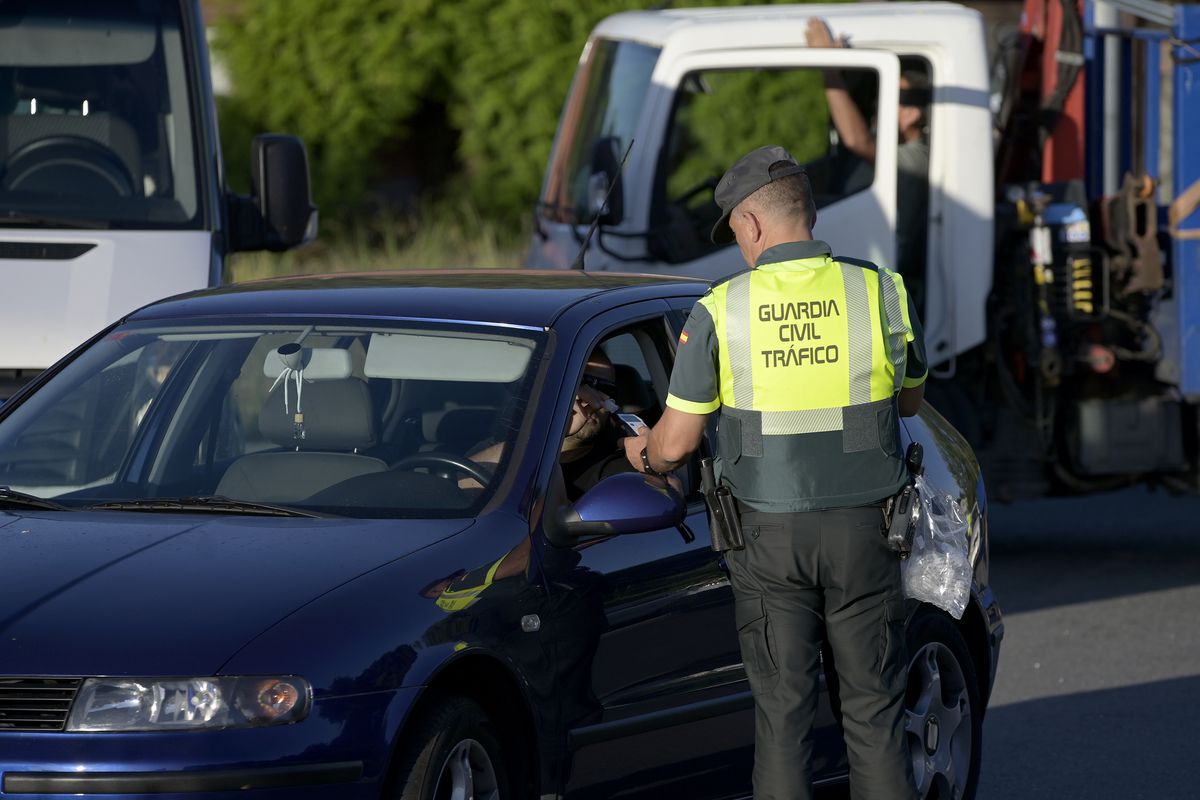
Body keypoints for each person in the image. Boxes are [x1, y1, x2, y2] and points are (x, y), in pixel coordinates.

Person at [622, 144, 927, 800]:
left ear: (753, 225)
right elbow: (909, 400)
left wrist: (640, 453)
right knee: (874, 717)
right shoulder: (879, 290)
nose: (738, 247)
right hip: (867, 532)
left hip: (768, 541)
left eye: (734, 232)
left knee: (784, 718)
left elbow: (675, 447)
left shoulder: (720, 309)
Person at [805, 18, 931, 305]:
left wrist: (828, 68)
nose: (878, 105)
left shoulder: (916, 158)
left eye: (891, 98)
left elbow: (857, 140)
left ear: (912, 114)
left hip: (893, 285)